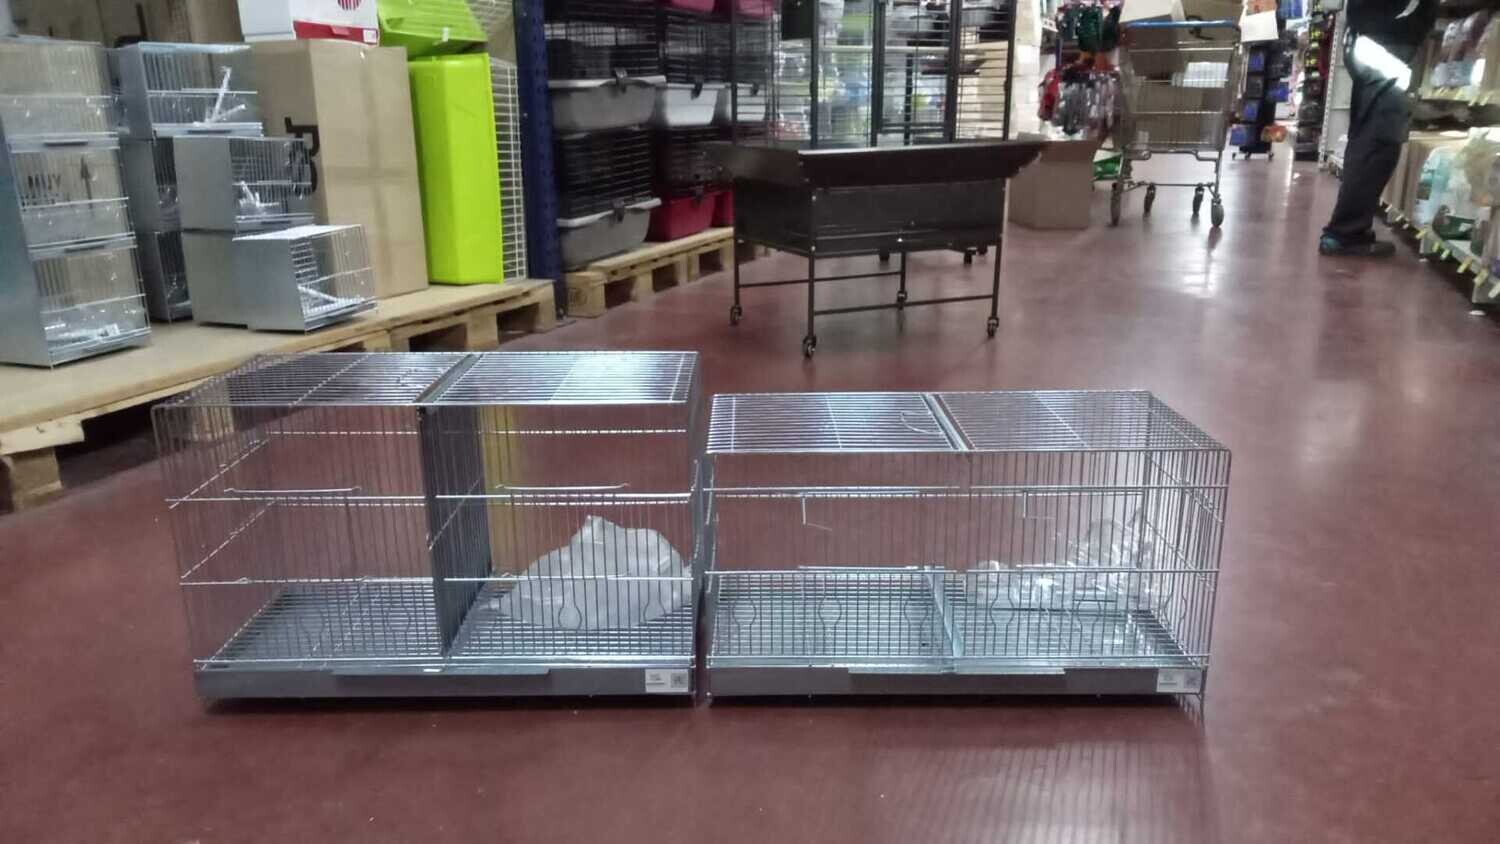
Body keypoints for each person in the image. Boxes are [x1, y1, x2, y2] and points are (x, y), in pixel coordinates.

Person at [1319, 0, 1437, 257]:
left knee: (1369, 138)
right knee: (1377, 142)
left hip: (1376, 37)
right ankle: (1345, 233)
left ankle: (1348, 230)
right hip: (1385, 39)